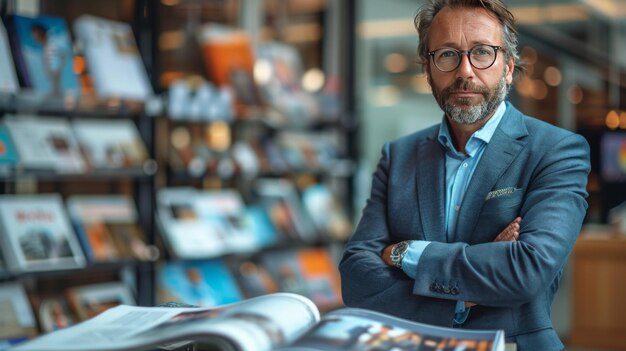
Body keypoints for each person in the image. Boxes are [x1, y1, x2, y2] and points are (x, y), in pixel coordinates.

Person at [338, 1, 590, 350]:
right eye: (447, 55)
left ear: (508, 67)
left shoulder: (556, 150)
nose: (465, 71)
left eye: (482, 53)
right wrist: (467, 290)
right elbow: (356, 280)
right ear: (428, 68)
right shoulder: (398, 156)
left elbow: (526, 271)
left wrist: (407, 253)